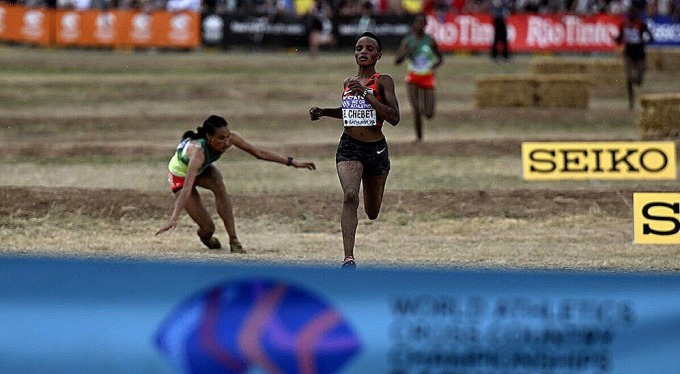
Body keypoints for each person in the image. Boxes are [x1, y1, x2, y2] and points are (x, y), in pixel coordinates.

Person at [156, 115, 316, 252]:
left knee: (219, 183)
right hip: (182, 177)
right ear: (209, 137)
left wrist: (293, 162)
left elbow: (258, 153)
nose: (226, 142)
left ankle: (234, 240)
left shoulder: (230, 138)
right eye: (221, 138)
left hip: (202, 170)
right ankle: (206, 237)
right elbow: (186, 188)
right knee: (208, 228)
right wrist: (173, 218)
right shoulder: (198, 153)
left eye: (227, 136)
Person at [308, 32, 400, 269]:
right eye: (359, 48)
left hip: (376, 150)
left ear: (378, 55)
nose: (363, 52)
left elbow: (394, 117)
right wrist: (324, 111)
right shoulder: (349, 83)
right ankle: (348, 258)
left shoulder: (383, 81)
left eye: (370, 49)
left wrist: (367, 93)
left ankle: (379, 179)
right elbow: (348, 111)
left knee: (372, 211)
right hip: (349, 146)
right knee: (350, 196)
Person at [394, 13, 443, 142]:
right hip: (413, 78)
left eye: (422, 23)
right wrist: (407, 52)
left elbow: (440, 58)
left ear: (426, 25)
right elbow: (397, 61)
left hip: (427, 77)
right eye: (417, 22)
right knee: (416, 110)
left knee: (428, 113)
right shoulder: (408, 40)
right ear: (414, 24)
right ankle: (419, 138)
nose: (419, 25)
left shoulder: (430, 40)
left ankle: (423, 119)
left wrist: (433, 66)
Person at [613, 8, 655, 109]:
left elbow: (651, 37)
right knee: (628, 76)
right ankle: (631, 102)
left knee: (639, 80)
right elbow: (620, 39)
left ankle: (633, 81)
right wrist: (616, 40)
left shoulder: (640, 24)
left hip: (639, 51)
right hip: (629, 52)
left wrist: (643, 41)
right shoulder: (623, 24)